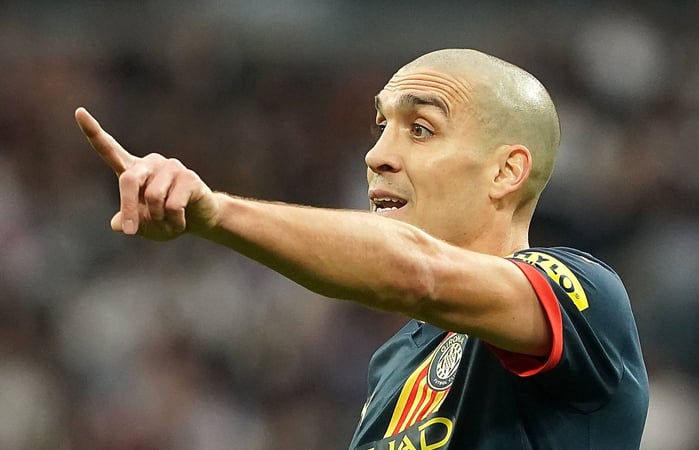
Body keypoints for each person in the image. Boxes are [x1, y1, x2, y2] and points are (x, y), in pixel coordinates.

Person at [76, 48, 648, 449]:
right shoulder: (394, 362)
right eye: (381, 127)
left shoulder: (583, 298)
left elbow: (417, 272)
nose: (376, 155)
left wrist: (216, 213)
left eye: (420, 129)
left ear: (505, 172)